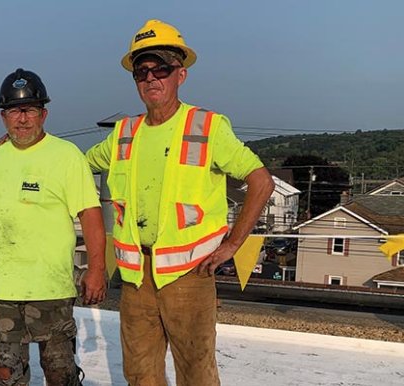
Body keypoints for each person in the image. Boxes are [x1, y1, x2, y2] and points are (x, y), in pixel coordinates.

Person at [85, 20, 274, 385]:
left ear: (181, 74)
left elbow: (261, 182)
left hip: (190, 276)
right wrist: (22, 140)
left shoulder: (207, 127)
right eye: (142, 72)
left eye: (162, 69)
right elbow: (72, 165)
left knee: (196, 373)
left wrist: (234, 244)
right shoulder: (125, 133)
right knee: (140, 375)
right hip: (137, 277)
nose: (151, 78)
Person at [0, 68, 107, 386]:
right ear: (3, 117)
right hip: (3, 289)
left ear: (44, 113)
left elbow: (91, 215)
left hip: (52, 289)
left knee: (59, 371)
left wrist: (97, 268)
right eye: (14, 111)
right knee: (8, 374)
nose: (22, 119)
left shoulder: (66, 156)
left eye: (29, 110)